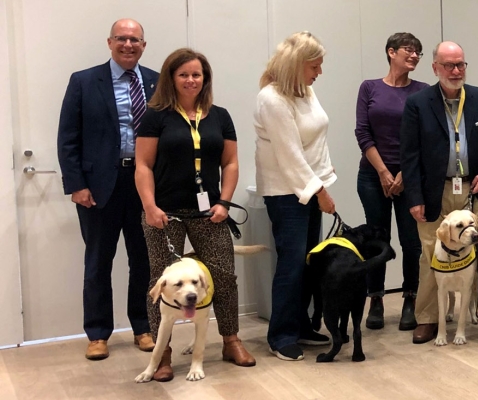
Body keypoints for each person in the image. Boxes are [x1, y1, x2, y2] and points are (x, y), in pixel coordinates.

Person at [134, 48, 255, 381]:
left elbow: (230, 162)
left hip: (210, 213)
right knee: (161, 282)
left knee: (223, 278)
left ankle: (231, 340)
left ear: (206, 79)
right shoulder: (156, 115)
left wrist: (225, 202)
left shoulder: (220, 116)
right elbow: (142, 164)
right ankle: (164, 355)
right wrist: (149, 206)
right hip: (165, 213)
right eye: (183, 74)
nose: (191, 80)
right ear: (171, 78)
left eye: (197, 74)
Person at [56, 18, 157, 360]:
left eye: (135, 40)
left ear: (144, 45)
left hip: (145, 186)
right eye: (121, 38)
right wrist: (76, 185)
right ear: (110, 42)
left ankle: (143, 327)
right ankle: (98, 334)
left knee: (143, 260)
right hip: (98, 188)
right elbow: (68, 139)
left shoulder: (158, 83)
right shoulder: (84, 81)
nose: (128, 45)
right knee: (98, 261)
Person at [399, 41, 478, 348]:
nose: (456, 71)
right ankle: (428, 318)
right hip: (435, 191)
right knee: (431, 253)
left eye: (461, 64)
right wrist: (415, 197)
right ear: (435, 68)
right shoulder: (418, 104)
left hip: (475, 188)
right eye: (449, 65)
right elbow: (410, 156)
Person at [254, 31, 336, 361]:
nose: (319, 72)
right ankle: (281, 334)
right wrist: (319, 193)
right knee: (290, 264)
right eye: (315, 66)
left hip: (311, 186)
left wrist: (321, 185)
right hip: (287, 193)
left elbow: (315, 140)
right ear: (296, 65)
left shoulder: (306, 90)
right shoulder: (272, 99)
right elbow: (290, 155)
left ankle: (301, 325)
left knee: (306, 262)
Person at [354, 32, 431, 331]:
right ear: (391, 52)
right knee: (376, 240)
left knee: (411, 242)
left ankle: (410, 298)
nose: (414, 56)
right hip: (373, 176)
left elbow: (426, 138)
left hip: (410, 178)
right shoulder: (369, 88)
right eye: (409, 51)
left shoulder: (423, 91)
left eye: (418, 53)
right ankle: (375, 298)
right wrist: (385, 172)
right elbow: (362, 133)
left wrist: (403, 174)